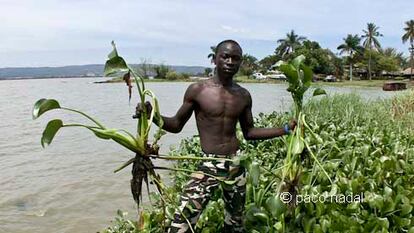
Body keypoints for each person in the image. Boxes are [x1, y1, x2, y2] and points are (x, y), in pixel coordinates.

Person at [135, 40, 296, 233]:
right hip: (208, 163)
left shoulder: (243, 95)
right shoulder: (198, 90)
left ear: (240, 63)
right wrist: (152, 114)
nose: (230, 61)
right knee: (181, 222)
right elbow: (176, 125)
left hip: (236, 164)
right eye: (225, 56)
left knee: (235, 223)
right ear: (215, 59)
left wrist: (285, 128)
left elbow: (250, 132)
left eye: (235, 58)